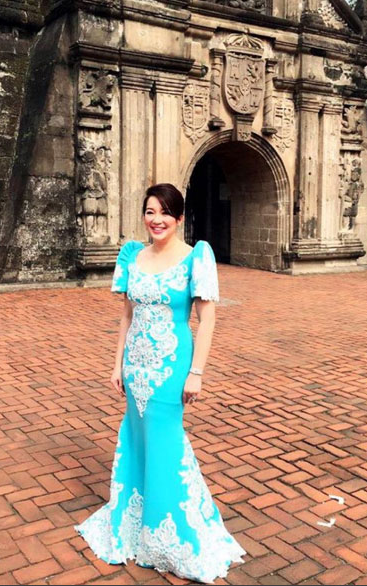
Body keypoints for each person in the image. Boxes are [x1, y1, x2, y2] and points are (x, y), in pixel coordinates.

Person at [75, 183, 245, 583]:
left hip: (171, 367)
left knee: (166, 442)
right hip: (135, 367)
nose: (157, 219)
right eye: (151, 211)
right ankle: (135, 522)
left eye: (165, 212)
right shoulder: (132, 256)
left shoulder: (196, 257)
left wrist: (196, 373)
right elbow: (126, 317)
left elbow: (207, 320)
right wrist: (117, 365)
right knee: (137, 439)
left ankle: (171, 534)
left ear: (179, 217)